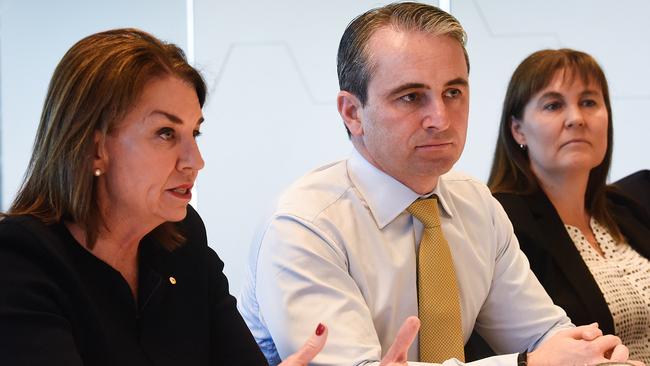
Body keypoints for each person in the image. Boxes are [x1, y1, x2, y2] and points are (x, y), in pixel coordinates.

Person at [238, 3, 643, 366]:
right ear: (352, 113)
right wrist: (528, 365)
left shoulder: (474, 204)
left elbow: (547, 335)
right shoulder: (304, 227)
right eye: (412, 97)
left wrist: (593, 358)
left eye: (453, 92)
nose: (442, 119)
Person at [0, 28, 336, 366]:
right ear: (95, 148)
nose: (196, 161)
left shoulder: (183, 239)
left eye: (195, 132)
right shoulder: (18, 259)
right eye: (165, 133)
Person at [488, 49, 650, 362]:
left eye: (589, 102)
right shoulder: (502, 220)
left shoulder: (633, 203)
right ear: (518, 130)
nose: (576, 118)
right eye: (553, 105)